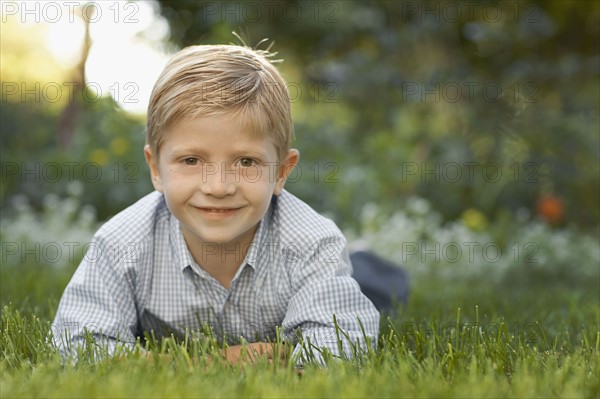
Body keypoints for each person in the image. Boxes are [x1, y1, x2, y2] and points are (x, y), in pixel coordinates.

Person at [52, 43, 379, 365]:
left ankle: (367, 263)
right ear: (156, 169)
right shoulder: (120, 243)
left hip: (337, 280)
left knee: (374, 289)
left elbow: (341, 344)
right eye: (191, 160)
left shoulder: (313, 243)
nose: (218, 186)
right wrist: (200, 365)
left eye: (247, 162)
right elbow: (77, 341)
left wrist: (304, 354)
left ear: (281, 172)